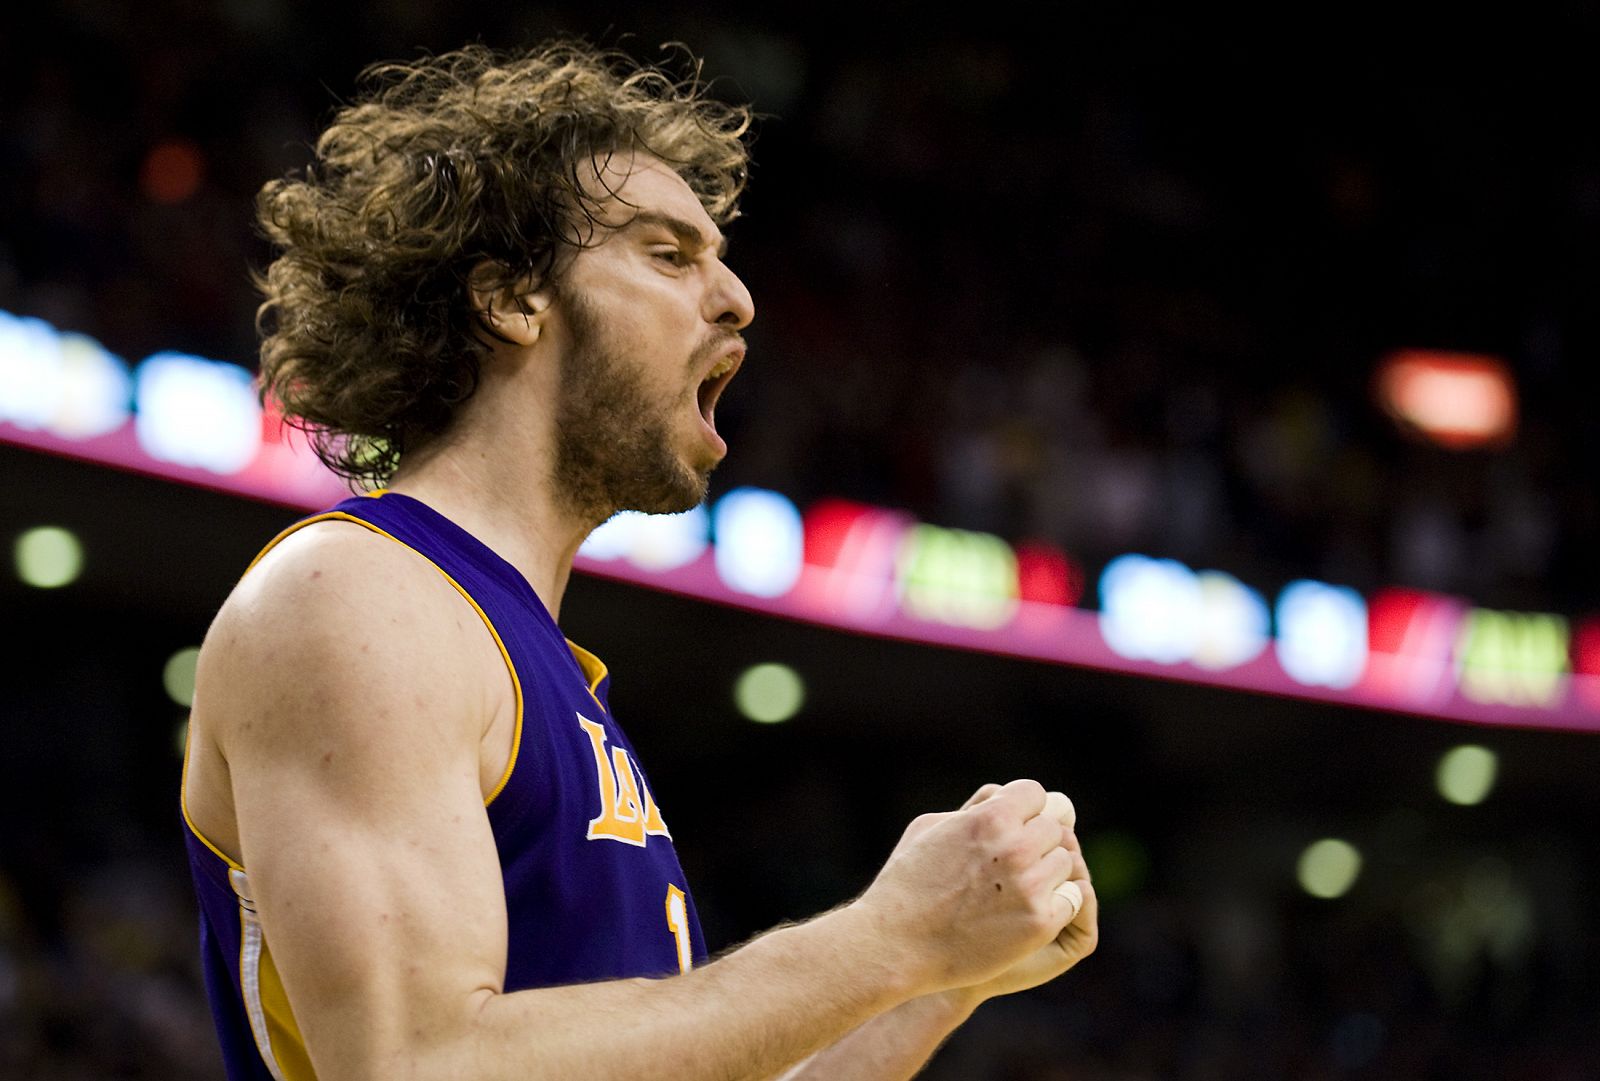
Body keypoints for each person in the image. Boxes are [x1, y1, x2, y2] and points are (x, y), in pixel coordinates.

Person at [179, 40, 1098, 1081]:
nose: (738, 298)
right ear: (513, 299)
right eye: (669, 255)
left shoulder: (541, 667)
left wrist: (936, 978)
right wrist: (886, 936)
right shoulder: (356, 593)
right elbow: (417, 1064)